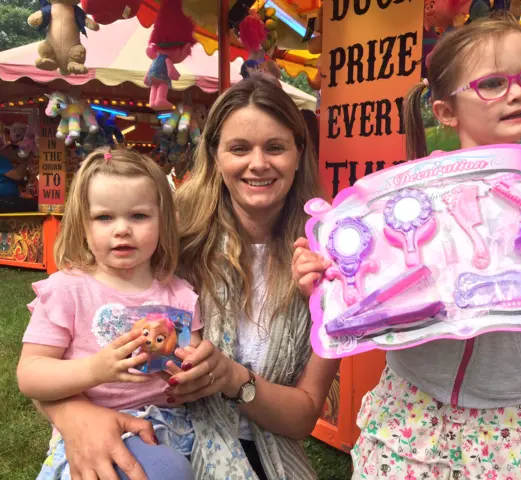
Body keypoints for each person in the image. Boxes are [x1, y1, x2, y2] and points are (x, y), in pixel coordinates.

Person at [292, 13, 521, 480]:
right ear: (445, 112)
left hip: (505, 422)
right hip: (409, 412)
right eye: (492, 83)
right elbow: (367, 287)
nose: (517, 93)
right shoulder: (409, 196)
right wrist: (324, 275)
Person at [31, 77, 341, 480]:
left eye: (276, 147)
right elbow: (68, 344)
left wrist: (234, 378)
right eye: (239, 148)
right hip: (160, 441)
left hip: (271, 455)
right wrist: (76, 416)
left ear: (299, 153)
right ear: (214, 155)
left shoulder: (328, 255)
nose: (258, 163)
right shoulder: (165, 240)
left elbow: (303, 417)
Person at [17, 148, 201, 480]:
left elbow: (193, 367)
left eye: (139, 216)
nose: (122, 230)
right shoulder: (66, 291)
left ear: (164, 221)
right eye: (104, 217)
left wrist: (188, 371)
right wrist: (95, 369)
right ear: (82, 225)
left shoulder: (181, 295)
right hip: (88, 426)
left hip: (168, 427)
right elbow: (30, 375)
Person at [0, 145, 37, 213]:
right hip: (3, 199)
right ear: (9, 149)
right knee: (34, 205)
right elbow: (18, 176)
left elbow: (20, 181)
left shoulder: (7, 162)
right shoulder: (2, 160)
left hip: (8, 198)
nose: (18, 154)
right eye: (16, 151)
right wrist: (24, 161)